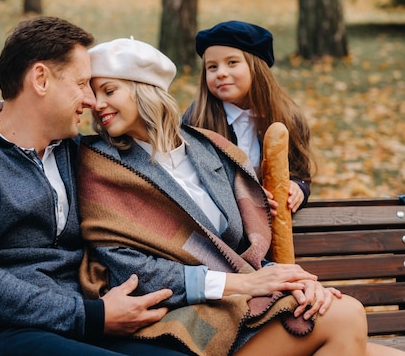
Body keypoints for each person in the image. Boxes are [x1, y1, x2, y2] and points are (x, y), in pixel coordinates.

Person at [78, 37, 405, 356]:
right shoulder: (103, 165)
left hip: (244, 304)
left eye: (109, 91)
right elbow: (130, 269)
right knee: (345, 315)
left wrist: (292, 281)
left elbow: (241, 250)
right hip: (184, 318)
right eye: (95, 95)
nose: (98, 104)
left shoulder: (210, 149)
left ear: (145, 90)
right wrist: (245, 285)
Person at [0, 16, 188, 356]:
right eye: (82, 83)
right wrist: (92, 315)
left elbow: (158, 173)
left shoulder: (78, 154)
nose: (91, 100)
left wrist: (245, 190)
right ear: (41, 79)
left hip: (80, 323)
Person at [182, 21, 313, 213]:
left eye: (232, 62)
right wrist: (245, 198)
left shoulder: (288, 118)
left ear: (257, 68)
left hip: (275, 220)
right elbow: (189, 180)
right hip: (220, 223)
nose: (221, 73)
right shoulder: (197, 119)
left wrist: (298, 188)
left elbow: (300, 172)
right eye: (212, 67)